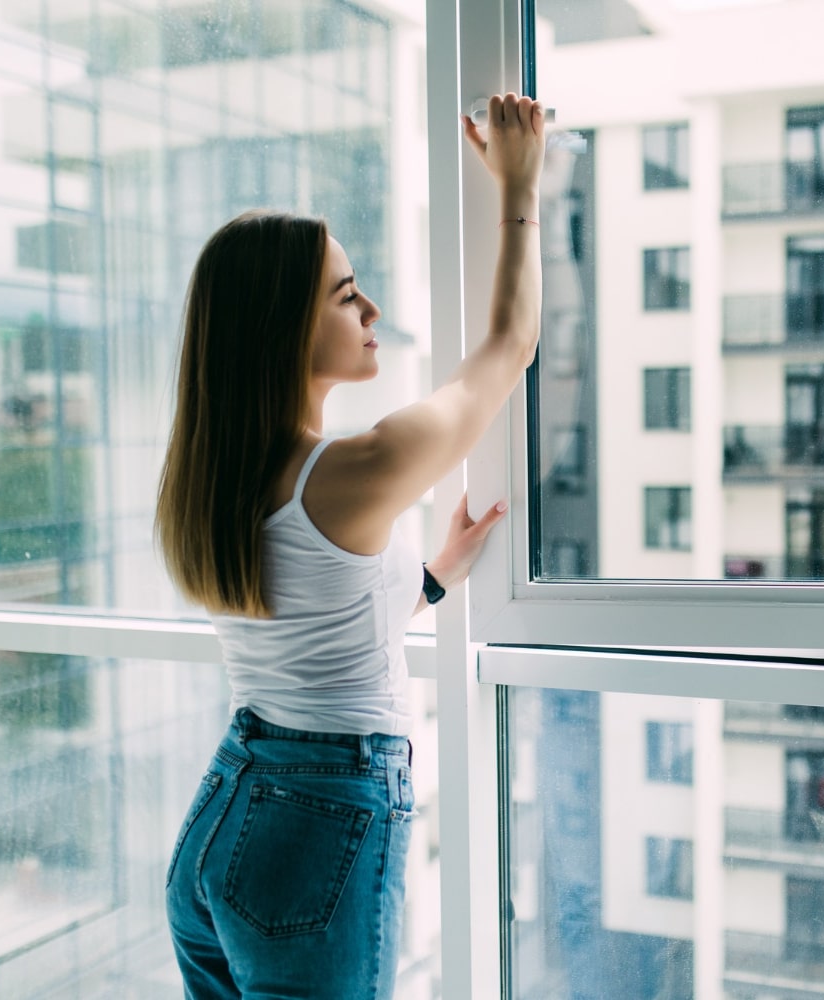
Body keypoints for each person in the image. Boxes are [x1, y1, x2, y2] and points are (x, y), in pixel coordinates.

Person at [155, 93, 545, 999]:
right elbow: (510, 343)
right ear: (285, 327)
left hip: (225, 813)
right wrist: (519, 187)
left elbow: (318, 619)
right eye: (344, 293)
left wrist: (432, 579)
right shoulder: (358, 470)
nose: (371, 306)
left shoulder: (215, 481)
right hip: (313, 826)